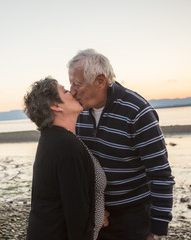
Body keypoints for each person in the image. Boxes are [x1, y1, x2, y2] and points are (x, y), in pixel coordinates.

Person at [67, 49, 175, 240]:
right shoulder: (79, 113)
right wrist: (95, 207)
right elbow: (79, 168)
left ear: (100, 81)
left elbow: (161, 175)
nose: (72, 91)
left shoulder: (137, 112)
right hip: (97, 216)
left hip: (134, 218)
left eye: (77, 84)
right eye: (71, 84)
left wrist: (158, 232)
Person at [24, 77, 107, 240]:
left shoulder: (54, 139)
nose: (73, 92)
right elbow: (76, 213)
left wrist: (96, 212)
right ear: (55, 106)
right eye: (65, 91)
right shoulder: (66, 146)